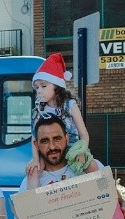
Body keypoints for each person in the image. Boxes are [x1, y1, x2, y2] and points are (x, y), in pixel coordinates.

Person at [27, 53, 97, 189]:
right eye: (36, 88)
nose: (39, 91)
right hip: (48, 151)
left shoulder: (70, 105)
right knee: (33, 171)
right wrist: (36, 159)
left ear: (56, 86)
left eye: (43, 86)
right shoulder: (37, 111)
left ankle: (104, 194)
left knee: (90, 165)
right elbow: (34, 137)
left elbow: (84, 134)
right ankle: (32, 206)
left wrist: (81, 152)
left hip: (73, 147)